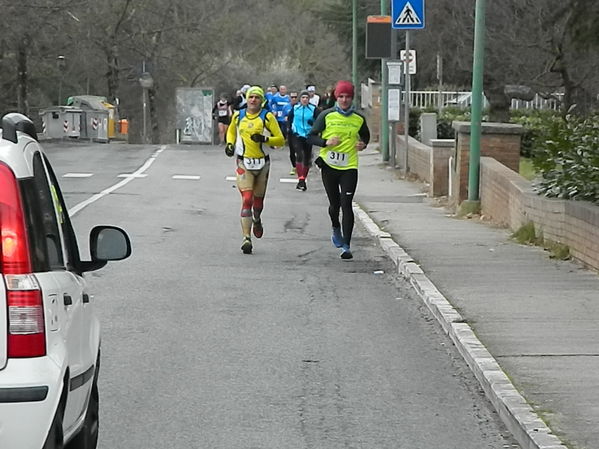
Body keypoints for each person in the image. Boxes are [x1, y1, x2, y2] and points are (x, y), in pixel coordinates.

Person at [308, 80, 370, 260]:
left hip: (349, 167)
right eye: (341, 96)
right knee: (335, 206)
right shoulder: (326, 116)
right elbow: (311, 137)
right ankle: (336, 227)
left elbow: (365, 136)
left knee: (347, 204)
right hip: (329, 166)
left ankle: (346, 246)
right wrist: (326, 142)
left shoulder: (358, 119)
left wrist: (363, 144)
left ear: (351, 98)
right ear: (336, 97)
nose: (344, 100)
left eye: (347, 97)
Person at [224, 86, 284, 254]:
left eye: (257, 97)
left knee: (257, 203)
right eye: (251, 97)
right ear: (247, 98)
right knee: (247, 199)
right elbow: (231, 133)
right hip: (244, 163)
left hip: (262, 164)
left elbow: (280, 140)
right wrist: (229, 144)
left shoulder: (267, 117)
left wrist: (265, 138)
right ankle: (246, 238)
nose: (253, 100)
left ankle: (257, 219)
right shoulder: (238, 115)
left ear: (261, 100)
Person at [288, 90, 318, 191]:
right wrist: (289, 129)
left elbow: (319, 122)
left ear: (309, 99)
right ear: (300, 99)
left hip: (309, 135)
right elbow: (289, 119)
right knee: (299, 155)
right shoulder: (295, 108)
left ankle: (303, 179)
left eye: (306, 98)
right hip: (297, 135)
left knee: (307, 158)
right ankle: (300, 179)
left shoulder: (313, 109)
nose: (305, 99)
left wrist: (313, 124)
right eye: (303, 98)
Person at [270, 85, 293, 173]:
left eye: (284, 89)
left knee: (284, 131)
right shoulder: (275, 97)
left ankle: (282, 142)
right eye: (281, 89)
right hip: (277, 117)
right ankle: (276, 143)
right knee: (276, 131)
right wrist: (273, 110)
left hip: (284, 118)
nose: (283, 91)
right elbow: (270, 104)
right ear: (279, 90)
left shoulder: (288, 98)